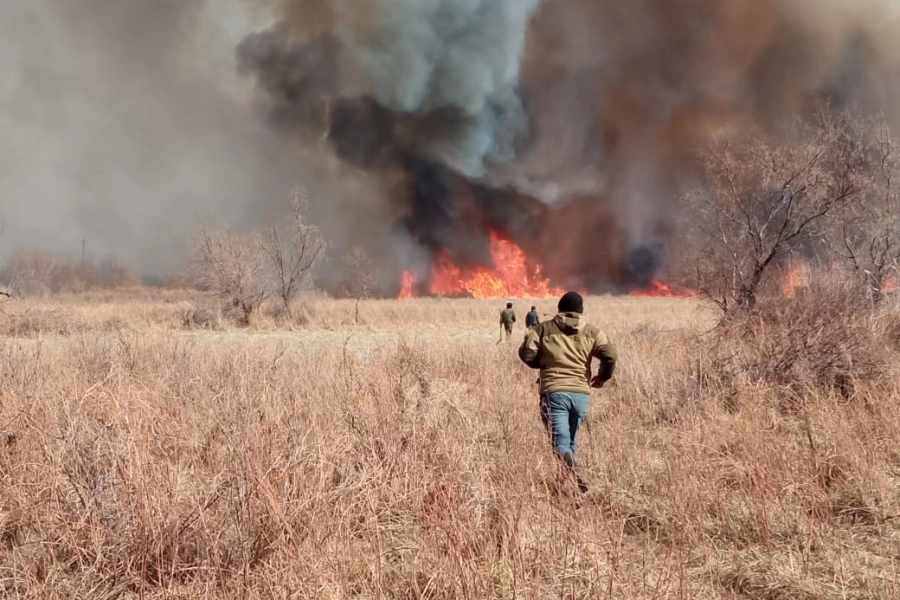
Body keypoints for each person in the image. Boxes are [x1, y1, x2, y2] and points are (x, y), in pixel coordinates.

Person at [518, 291, 617, 492]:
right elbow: (610, 356)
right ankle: (565, 486)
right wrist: (602, 377)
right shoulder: (593, 332)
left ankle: (574, 470)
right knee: (570, 440)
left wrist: (543, 363)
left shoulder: (544, 329)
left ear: (559, 308)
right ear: (581, 311)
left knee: (560, 443)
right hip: (581, 393)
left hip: (554, 392)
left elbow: (527, 353)